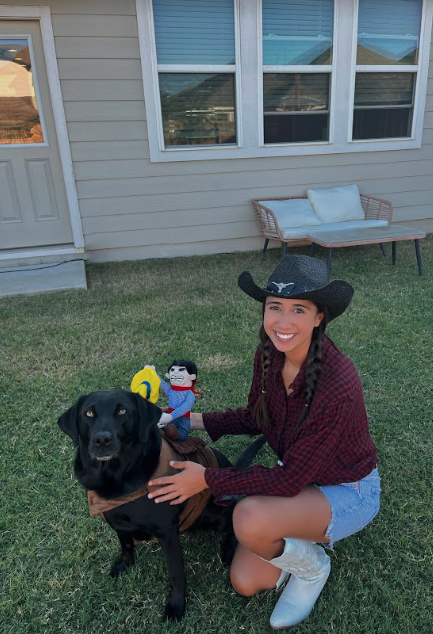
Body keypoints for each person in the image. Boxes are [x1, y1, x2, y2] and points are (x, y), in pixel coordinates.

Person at [147, 255, 380, 629]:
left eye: (298, 310)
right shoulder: (270, 352)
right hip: (300, 476)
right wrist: (187, 419)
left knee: (248, 517)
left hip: (347, 489)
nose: (283, 323)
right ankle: (294, 532)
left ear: (320, 316)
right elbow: (259, 416)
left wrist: (206, 478)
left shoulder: (338, 385)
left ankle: (312, 568)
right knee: (245, 582)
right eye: (275, 307)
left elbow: (286, 482)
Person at [144, 360, 200, 441]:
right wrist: (153, 372)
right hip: (169, 419)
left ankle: (174, 433)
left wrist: (170, 416)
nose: (175, 373)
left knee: (180, 433)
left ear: (192, 377)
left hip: (183, 419)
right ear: (168, 375)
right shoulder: (171, 391)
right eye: (173, 370)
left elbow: (185, 407)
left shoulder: (189, 394)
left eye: (181, 370)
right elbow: (161, 383)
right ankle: (164, 428)